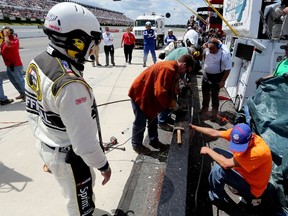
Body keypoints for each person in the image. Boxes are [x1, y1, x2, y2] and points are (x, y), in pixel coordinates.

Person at [25, 3, 111, 215]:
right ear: (77, 40)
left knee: (71, 194)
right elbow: (84, 143)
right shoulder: (70, 85)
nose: (92, 48)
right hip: (69, 156)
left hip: (47, 143)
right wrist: (103, 165)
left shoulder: (38, 61)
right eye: (90, 42)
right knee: (80, 207)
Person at [190, 123, 272, 210]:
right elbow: (214, 133)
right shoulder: (239, 134)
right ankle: (219, 182)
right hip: (245, 172)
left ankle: (215, 198)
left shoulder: (257, 152)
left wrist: (208, 151)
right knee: (216, 152)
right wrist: (194, 127)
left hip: (252, 188)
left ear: (250, 139)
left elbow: (225, 165)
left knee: (218, 170)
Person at [128, 54, 195, 155]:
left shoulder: (174, 70)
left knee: (153, 119)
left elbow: (170, 88)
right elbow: (160, 93)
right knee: (140, 122)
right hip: (140, 94)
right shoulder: (168, 69)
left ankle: (154, 141)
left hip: (149, 95)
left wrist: (174, 100)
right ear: (184, 64)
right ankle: (137, 145)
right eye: (186, 70)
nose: (184, 72)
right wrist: (174, 106)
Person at [200, 38, 232, 121]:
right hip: (206, 75)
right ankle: (204, 109)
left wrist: (223, 81)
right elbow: (206, 45)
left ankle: (214, 114)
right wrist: (205, 46)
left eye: (213, 50)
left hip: (216, 77)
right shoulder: (207, 48)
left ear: (218, 47)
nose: (211, 52)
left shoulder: (224, 53)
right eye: (210, 50)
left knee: (214, 96)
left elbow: (228, 69)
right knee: (205, 93)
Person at [1, 26, 25, 101]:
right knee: (13, 81)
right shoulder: (5, 41)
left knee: (19, 81)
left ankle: (26, 95)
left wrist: (6, 36)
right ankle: (22, 93)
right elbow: (3, 50)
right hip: (9, 65)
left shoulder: (15, 40)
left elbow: (8, 45)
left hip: (16, 66)